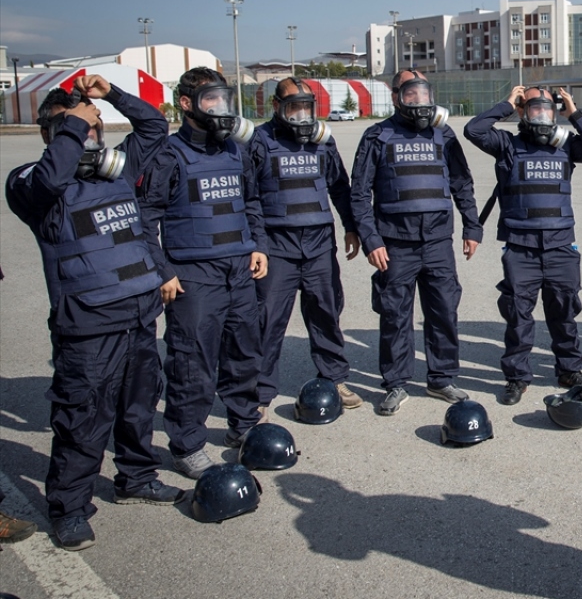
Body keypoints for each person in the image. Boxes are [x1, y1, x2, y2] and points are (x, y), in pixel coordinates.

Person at [7, 75, 184, 550]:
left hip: (138, 316)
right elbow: (49, 179)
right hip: (88, 327)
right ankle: (69, 508)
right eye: (74, 130)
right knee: (82, 420)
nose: (87, 137)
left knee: (138, 408)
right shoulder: (31, 183)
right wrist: (71, 124)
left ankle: (137, 478)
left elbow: (154, 127)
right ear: (49, 134)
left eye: (92, 128)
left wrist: (113, 96)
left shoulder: (117, 173)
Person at [139, 67, 267, 478]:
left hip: (239, 271)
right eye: (211, 99)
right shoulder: (168, 154)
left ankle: (243, 424)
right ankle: (187, 445)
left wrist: (258, 245)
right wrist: (162, 271)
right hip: (194, 276)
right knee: (192, 364)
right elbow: (145, 219)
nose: (220, 107)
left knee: (244, 354)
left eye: (223, 99)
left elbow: (251, 202)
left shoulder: (234, 150)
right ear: (186, 103)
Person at [350, 70, 481, 414]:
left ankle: (442, 378)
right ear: (396, 97)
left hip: (437, 241)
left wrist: (472, 227)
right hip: (395, 244)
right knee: (395, 315)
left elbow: (462, 183)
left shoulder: (443, 133)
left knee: (444, 311)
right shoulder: (377, 136)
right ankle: (396, 383)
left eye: (424, 92)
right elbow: (359, 193)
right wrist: (371, 239)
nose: (419, 100)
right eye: (411, 93)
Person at [464, 86, 582, 404]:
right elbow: (474, 130)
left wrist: (575, 113)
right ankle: (517, 377)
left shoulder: (566, 144)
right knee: (518, 316)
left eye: (547, 108)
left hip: (561, 246)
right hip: (521, 247)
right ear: (522, 111)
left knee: (565, 312)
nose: (541, 114)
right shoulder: (507, 145)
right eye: (533, 107)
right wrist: (505, 105)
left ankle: (569, 370)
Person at [250, 78, 363, 415]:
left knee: (326, 313)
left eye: (306, 107)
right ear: (276, 107)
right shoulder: (259, 141)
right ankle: (259, 394)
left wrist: (350, 227)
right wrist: (257, 245)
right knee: (268, 320)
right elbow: (249, 198)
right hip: (277, 246)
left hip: (318, 244)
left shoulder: (322, 140)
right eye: (293, 107)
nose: (301, 114)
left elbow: (339, 186)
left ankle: (334, 379)